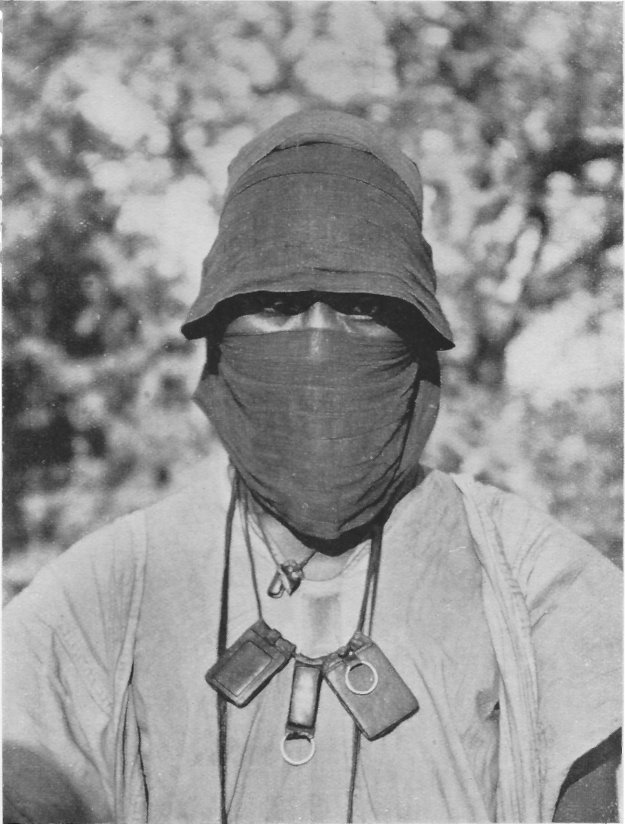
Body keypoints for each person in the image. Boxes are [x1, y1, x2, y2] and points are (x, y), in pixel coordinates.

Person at [3, 110, 621, 824]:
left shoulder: (535, 580)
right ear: (219, 337)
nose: (319, 343)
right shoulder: (108, 590)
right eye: (276, 305)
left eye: (362, 307)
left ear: (418, 339)